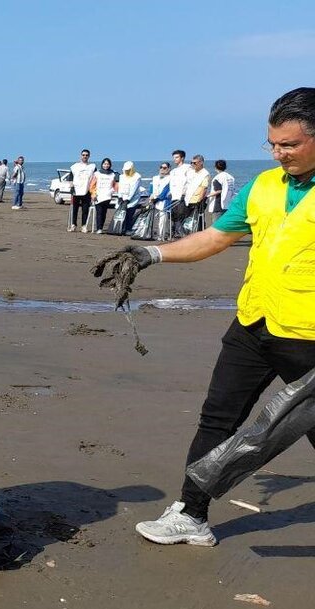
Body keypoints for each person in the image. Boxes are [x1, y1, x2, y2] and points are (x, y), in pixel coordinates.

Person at [101, 88, 315, 547]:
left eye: (290, 145)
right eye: (272, 144)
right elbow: (216, 237)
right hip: (254, 323)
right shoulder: (264, 186)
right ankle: (190, 514)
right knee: (217, 420)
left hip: (309, 337)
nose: (279, 154)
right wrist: (150, 254)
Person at [69, 149, 97, 232]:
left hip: (87, 190)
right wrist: (71, 186)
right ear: (81, 156)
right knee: (75, 209)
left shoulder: (92, 167)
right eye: (83, 155)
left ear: (89, 156)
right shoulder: (75, 166)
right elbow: (71, 177)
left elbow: (96, 178)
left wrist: (94, 190)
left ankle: (84, 225)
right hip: (76, 190)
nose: (85, 156)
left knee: (85, 209)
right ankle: (73, 224)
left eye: (86, 155)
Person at [113, 161, 143, 235]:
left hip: (133, 198)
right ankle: (120, 228)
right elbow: (121, 187)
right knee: (121, 214)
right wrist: (120, 196)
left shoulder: (137, 176)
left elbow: (133, 188)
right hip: (122, 197)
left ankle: (128, 229)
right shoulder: (122, 176)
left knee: (130, 213)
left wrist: (128, 199)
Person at [89, 158, 118, 233]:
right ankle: (99, 228)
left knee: (104, 212)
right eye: (105, 164)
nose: (106, 165)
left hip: (107, 196)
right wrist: (93, 194)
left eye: (107, 164)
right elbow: (92, 185)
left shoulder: (113, 174)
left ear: (110, 165)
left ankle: (101, 227)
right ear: (102, 164)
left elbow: (115, 185)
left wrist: (115, 191)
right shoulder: (97, 173)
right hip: (98, 196)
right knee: (99, 212)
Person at [168, 149, 193, 227]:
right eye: (174, 157)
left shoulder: (188, 167)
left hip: (182, 197)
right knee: (174, 216)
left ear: (182, 158)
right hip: (174, 196)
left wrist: (185, 193)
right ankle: (175, 233)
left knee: (182, 215)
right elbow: (171, 184)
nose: (175, 159)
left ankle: (182, 233)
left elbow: (190, 182)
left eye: (177, 157)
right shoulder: (173, 171)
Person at [148, 162, 173, 240]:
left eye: (164, 168)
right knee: (153, 219)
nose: (162, 169)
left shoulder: (171, 178)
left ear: (169, 169)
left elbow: (167, 191)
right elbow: (151, 189)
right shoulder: (155, 178)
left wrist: (158, 198)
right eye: (161, 167)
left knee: (163, 219)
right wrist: (151, 197)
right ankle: (151, 233)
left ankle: (161, 235)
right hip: (154, 201)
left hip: (164, 202)